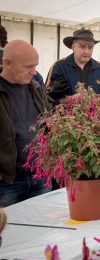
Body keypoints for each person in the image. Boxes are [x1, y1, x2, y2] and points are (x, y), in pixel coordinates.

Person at [0, 40, 51, 207]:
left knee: (43, 228)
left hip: (41, 176)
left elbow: (48, 124)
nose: (34, 72)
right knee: (9, 231)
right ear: (7, 63)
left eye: (35, 66)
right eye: (28, 66)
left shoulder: (35, 87)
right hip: (8, 182)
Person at [45, 29, 100, 104]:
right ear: (73, 47)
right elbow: (46, 97)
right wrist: (71, 99)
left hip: (94, 115)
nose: (86, 51)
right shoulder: (59, 66)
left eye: (90, 47)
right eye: (82, 46)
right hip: (66, 115)